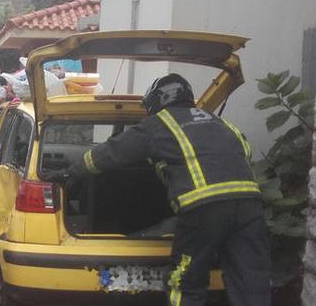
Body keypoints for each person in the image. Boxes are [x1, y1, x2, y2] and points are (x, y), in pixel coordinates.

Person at [55, 74, 270, 306]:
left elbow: (111, 153)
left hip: (204, 209)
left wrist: (71, 172)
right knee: (251, 278)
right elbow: (244, 152)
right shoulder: (222, 123)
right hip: (249, 205)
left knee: (186, 279)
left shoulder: (159, 124)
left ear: (157, 102)